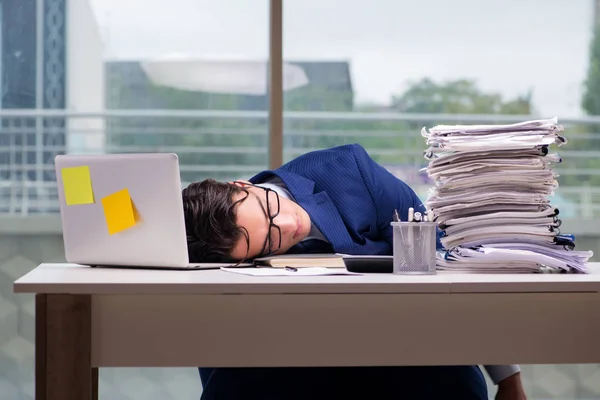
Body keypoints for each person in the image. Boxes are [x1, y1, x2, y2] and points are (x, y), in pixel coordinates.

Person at [183, 144, 527, 400]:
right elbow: (131, 217)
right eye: (271, 240)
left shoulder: (350, 171)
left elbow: (448, 265)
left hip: (400, 347)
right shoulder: (212, 241)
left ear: (244, 185)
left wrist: (508, 378)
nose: (289, 225)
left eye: (270, 208)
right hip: (291, 358)